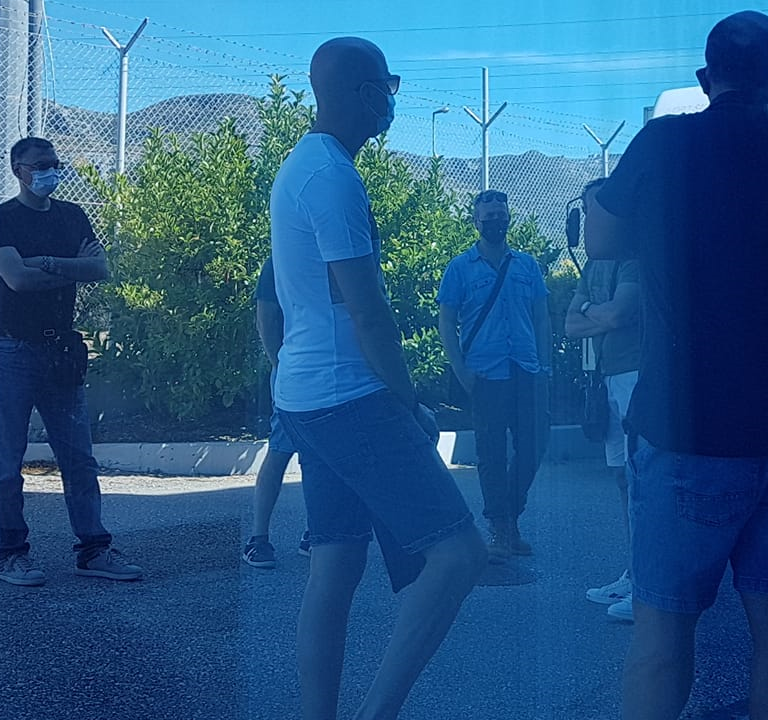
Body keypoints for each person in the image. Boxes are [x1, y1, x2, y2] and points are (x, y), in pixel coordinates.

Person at [270, 37, 487, 720]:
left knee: (335, 565)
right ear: (367, 93)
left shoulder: (303, 167)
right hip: (349, 395)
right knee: (459, 555)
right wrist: (409, 403)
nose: (393, 100)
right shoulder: (332, 177)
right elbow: (369, 313)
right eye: (389, 87)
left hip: (307, 395)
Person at [584, 12, 768, 719]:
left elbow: (600, 241)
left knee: (662, 636)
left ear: (704, 77)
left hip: (687, 428)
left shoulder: (667, 142)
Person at [0, 136, 143, 587]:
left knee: (79, 459)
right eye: (39, 165)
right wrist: (69, 266)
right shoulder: (0, 217)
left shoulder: (72, 215)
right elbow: (15, 278)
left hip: (60, 352)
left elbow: (100, 269)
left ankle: (93, 550)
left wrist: (45, 262)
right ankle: (11, 554)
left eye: (54, 163)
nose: (49, 171)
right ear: (18, 169)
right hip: (12, 350)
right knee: (7, 463)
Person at [437, 189, 551, 563]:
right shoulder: (460, 268)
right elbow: (446, 321)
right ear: (476, 222)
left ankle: (511, 515)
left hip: (526, 369)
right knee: (491, 453)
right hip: (485, 373)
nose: (496, 221)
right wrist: (461, 369)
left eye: (501, 215)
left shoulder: (527, 266)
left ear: (508, 219)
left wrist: (545, 366)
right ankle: (501, 528)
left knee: (533, 448)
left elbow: (541, 318)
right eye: (489, 217)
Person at [564, 178, 642, 623]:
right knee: (622, 479)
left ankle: (650, 584)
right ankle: (635, 572)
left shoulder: (634, 259)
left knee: (641, 479)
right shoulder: (593, 267)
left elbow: (618, 312)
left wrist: (593, 312)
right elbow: (570, 325)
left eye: (596, 210)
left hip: (635, 377)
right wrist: (601, 315)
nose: (590, 220)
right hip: (607, 379)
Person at [242, 257, 311, 569]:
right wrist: (279, 365)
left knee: (315, 455)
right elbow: (265, 318)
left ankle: (315, 531)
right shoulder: (279, 261)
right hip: (292, 371)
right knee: (281, 450)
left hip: (309, 370)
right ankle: (258, 537)